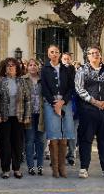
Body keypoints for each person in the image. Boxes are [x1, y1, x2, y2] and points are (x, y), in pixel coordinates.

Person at [74, 46, 104, 179]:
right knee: (85, 139)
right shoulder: (82, 70)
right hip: (88, 110)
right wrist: (93, 101)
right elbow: (79, 89)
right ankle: (84, 168)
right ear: (87, 56)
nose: (94, 55)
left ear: (100, 55)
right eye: (91, 53)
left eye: (97, 53)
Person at [0, 57, 31, 179]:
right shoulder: (0, 81)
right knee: (4, 144)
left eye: (13, 65)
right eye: (8, 65)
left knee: (18, 144)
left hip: (18, 118)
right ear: (4, 68)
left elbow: (27, 100)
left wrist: (27, 116)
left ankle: (17, 168)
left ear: (17, 68)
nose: (10, 67)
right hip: (4, 118)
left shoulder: (22, 81)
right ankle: (5, 169)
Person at [40, 44, 75, 178]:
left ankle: (62, 167)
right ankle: (55, 168)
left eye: (56, 52)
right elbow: (44, 88)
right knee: (54, 136)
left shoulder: (67, 69)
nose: (54, 54)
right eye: (52, 52)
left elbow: (71, 88)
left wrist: (63, 102)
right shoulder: (45, 69)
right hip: (51, 104)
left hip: (65, 103)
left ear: (60, 54)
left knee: (64, 135)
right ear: (48, 54)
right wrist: (54, 103)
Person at [22, 58, 45, 176]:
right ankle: (31, 166)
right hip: (28, 114)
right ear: (27, 67)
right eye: (30, 65)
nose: (32, 67)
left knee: (40, 141)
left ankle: (40, 166)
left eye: (35, 65)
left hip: (41, 114)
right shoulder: (23, 80)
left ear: (38, 67)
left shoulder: (43, 80)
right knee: (30, 141)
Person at [61, 52, 77, 166]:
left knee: (72, 133)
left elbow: (76, 91)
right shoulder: (57, 72)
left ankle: (71, 155)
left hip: (73, 107)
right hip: (60, 107)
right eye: (64, 59)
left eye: (68, 59)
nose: (66, 61)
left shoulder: (76, 74)